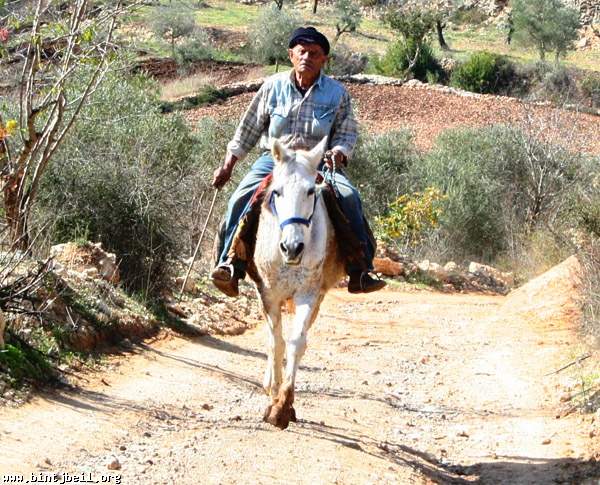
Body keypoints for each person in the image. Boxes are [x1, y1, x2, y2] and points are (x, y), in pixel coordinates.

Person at [211, 26, 385, 297]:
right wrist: (228, 165)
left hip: (317, 164)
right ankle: (229, 264)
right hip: (275, 162)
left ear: (324, 59)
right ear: (291, 54)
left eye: (314, 53)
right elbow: (246, 131)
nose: (307, 57)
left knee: (349, 197)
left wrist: (338, 152)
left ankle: (360, 269)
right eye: (301, 52)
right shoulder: (272, 87)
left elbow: (347, 134)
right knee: (240, 198)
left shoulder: (337, 94)